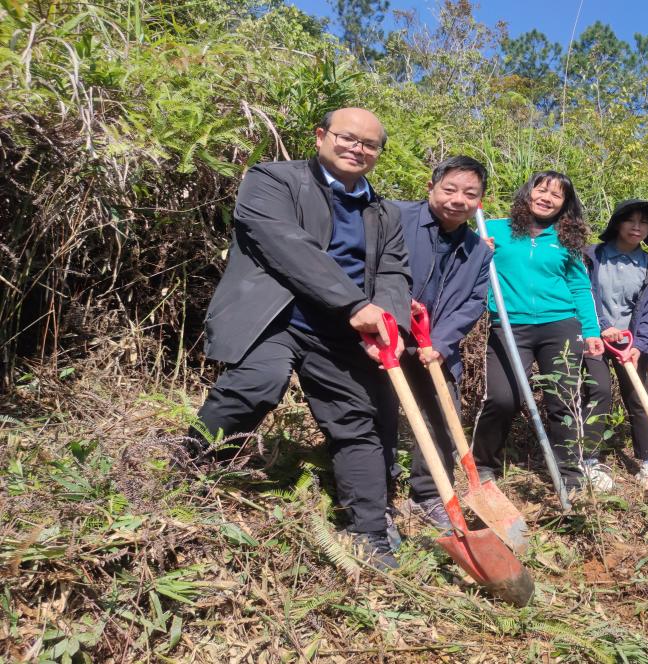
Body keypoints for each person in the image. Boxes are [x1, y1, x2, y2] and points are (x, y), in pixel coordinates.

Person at [191, 108, 411, 569]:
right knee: (257, 383)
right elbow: (285, 245)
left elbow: (394, 272)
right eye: (347, 137)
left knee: (358, 423)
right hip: (277, 316)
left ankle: (368, 533)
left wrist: (389, 324)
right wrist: (353, 304)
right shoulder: (272, 180)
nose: (357, 149)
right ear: (320, 136)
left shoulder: (383, 212)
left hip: (342, 333)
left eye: (369, 144)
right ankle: (192, 461)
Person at [470, 171, 609, 493]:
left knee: (563, 401)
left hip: (560, 326)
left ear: (564, 204)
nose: (546, 198)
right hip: (509, 326)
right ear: (528, 192)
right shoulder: (492, 229)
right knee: (503, 399)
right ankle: (483, 466)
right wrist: (478, 252)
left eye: (556, 195)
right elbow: (466, 269)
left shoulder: (566, 239)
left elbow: (580, 287)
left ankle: (570, 474)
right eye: (541, 190)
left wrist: (591, 331)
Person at [383, 156, 492, 529]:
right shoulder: (393, 217)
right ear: (431, 188)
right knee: (376, 411)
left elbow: (473, 303)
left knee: (443, 416)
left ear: (479, 202)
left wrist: (441, 344)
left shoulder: (479, 250)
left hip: (435, 344)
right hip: (385, 335)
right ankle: (379, 492)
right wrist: (394, 313)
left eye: (470, 194)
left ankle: (428, 495)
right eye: (450, 189)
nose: (458, 199)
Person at [580, 200, 648, 486]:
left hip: (630, 343)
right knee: (598, 391)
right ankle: (588, 460)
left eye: (644, 222)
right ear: (617, 223)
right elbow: (582, 292)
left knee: (638, 396)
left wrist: (640, 343)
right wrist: (602, 327)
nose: (636, 227)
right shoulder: (590, 256)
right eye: (630, 220)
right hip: (593, 337)